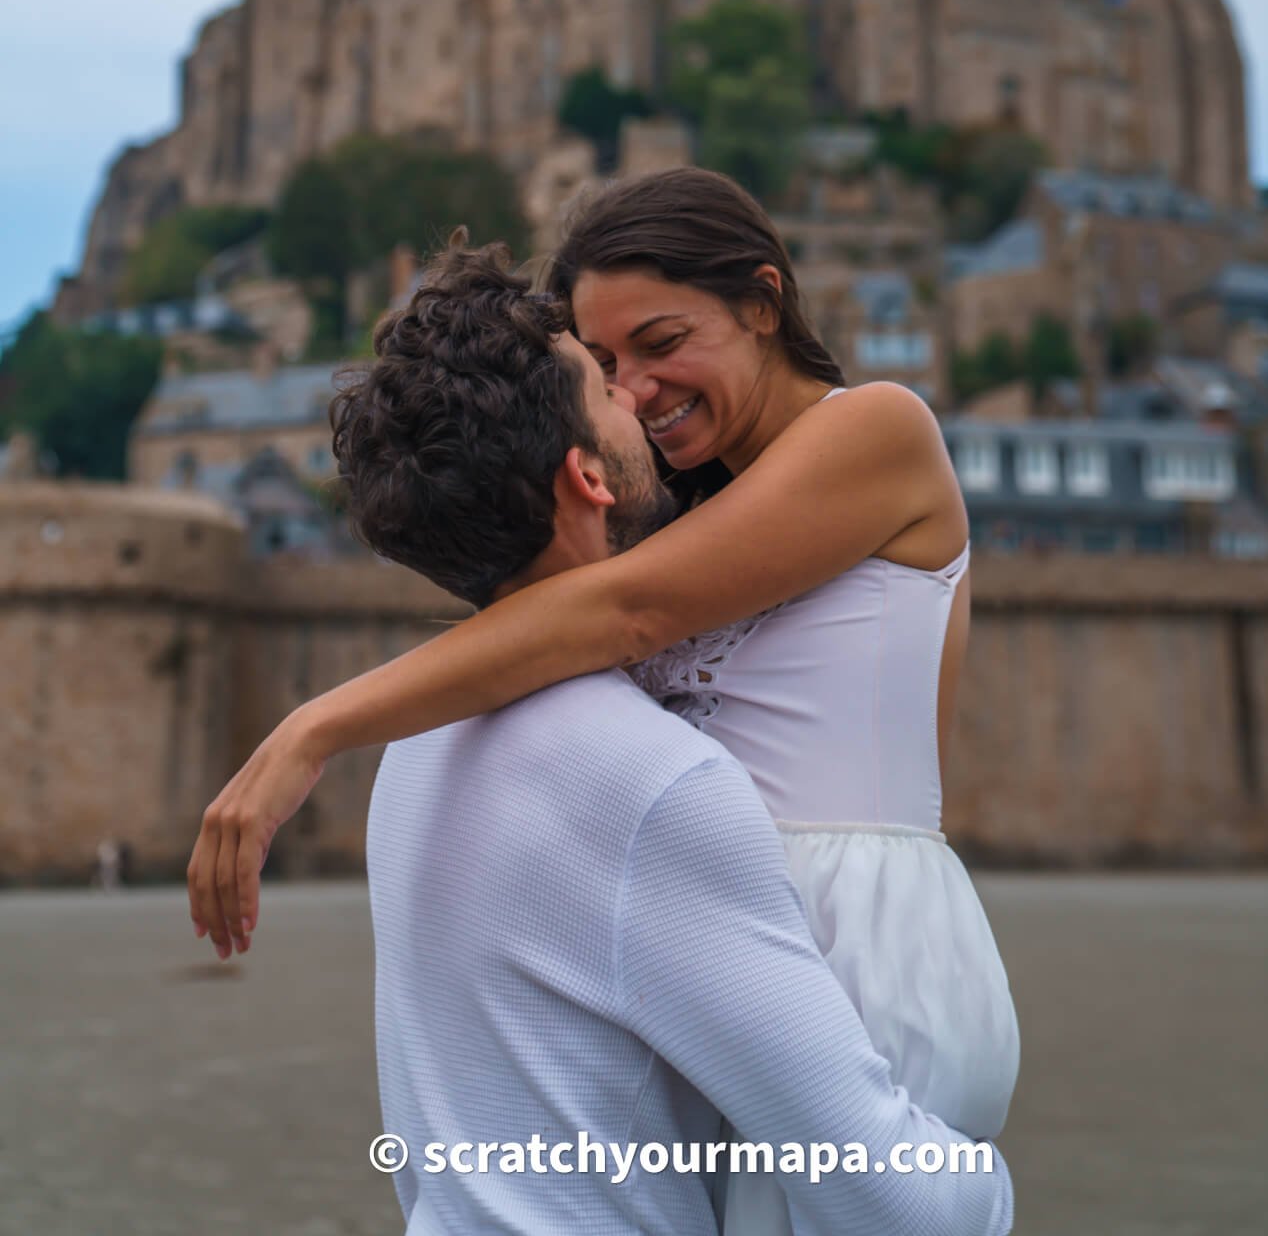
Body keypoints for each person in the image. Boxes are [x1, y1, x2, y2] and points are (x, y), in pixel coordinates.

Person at [188, 168, 1019, 1189]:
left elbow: (622, 613)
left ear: (763, 302)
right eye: (608, 363)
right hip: (725, 957)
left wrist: (309, 729)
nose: (635, 391)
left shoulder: (877, 429)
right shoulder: (676, 506)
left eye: (663, 343)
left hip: (864, 941)